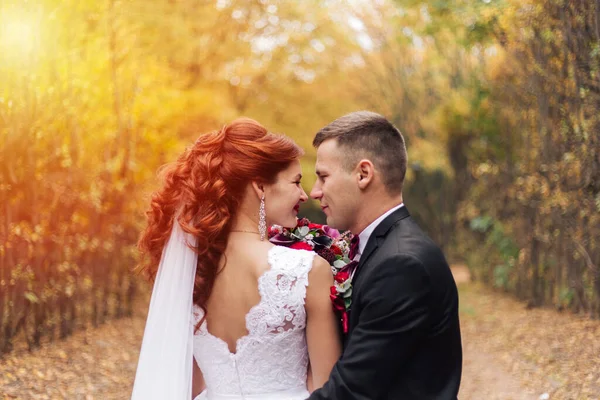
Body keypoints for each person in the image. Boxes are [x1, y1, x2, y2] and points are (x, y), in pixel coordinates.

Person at [131, 118, 341, 400]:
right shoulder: (307, 271)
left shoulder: (193, 274)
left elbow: (186, 383)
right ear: (260, 186)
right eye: (296, 182)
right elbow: (327, 389)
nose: (304, 194)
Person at [308, 111, 462, 399]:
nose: (315, 192)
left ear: (363, 174)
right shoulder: (384, 248)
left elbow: (352, 390)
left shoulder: (402, 264)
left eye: (323, 177)